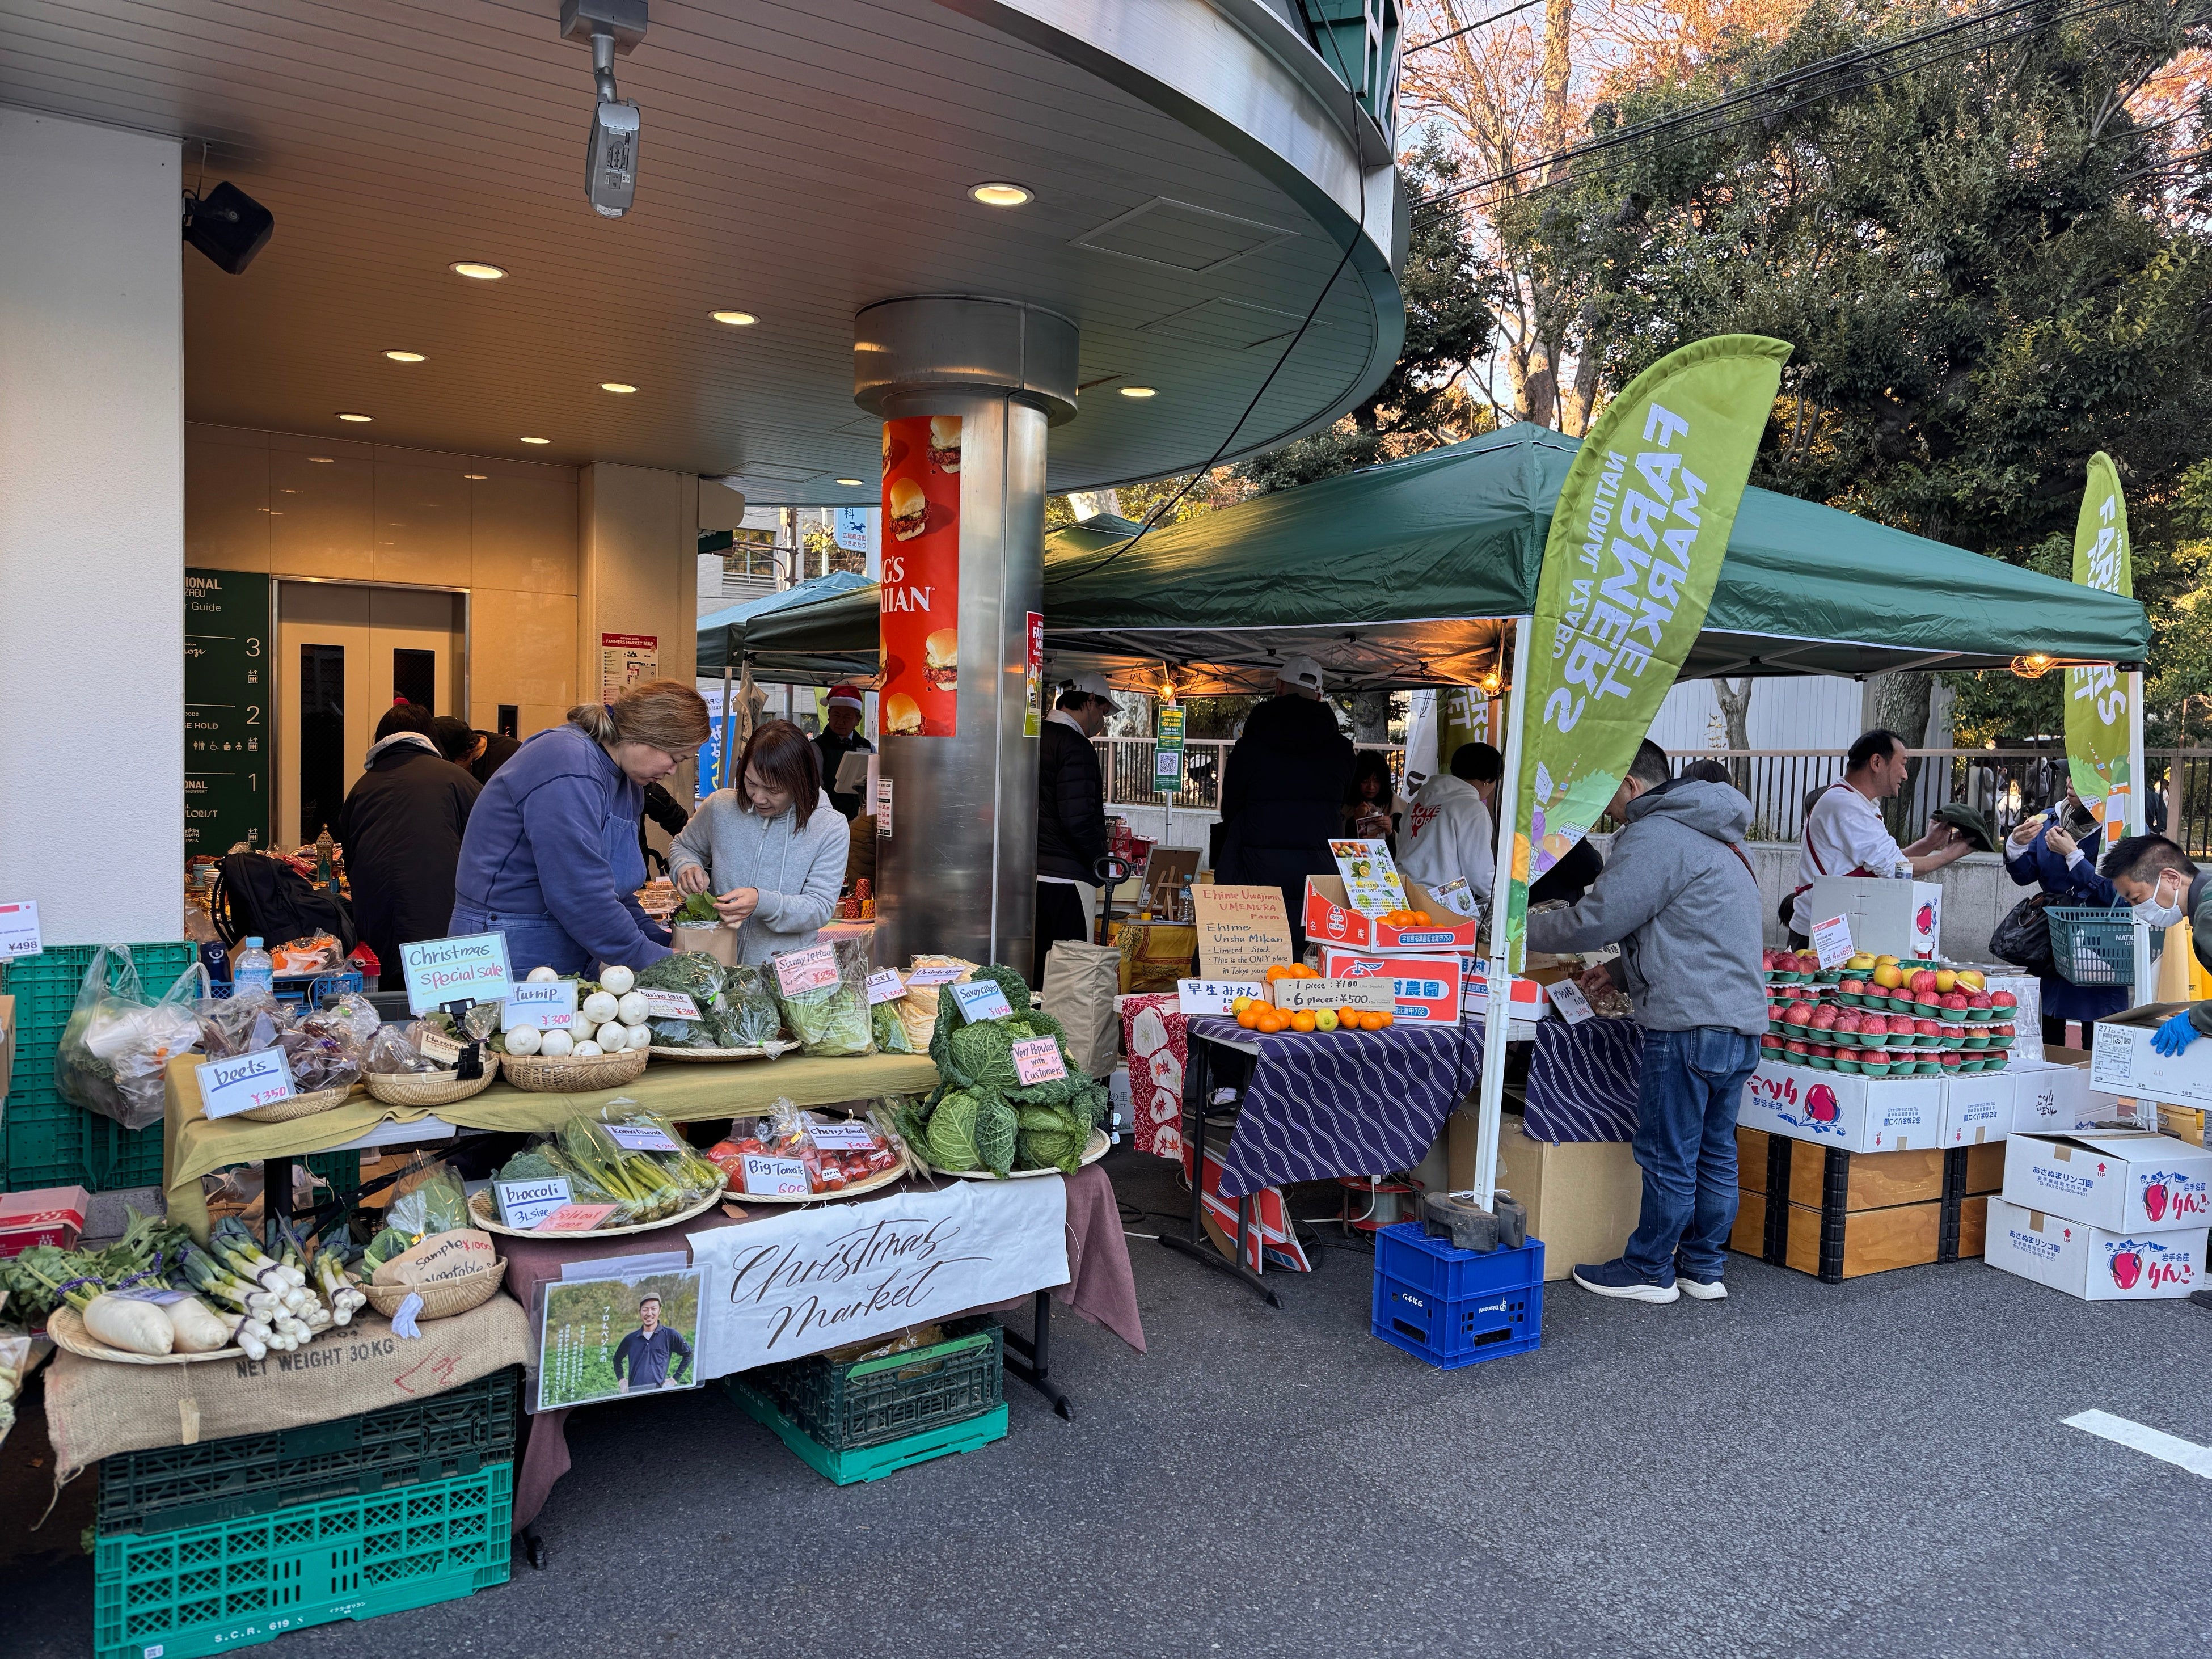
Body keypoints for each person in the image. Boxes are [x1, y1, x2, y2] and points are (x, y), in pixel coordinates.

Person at [1527, 740, 1766, 1304]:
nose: (1603, 806)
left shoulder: (1656, 834)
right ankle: (1703, 1269)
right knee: (1715, 1153)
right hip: (1740, 1022)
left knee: (1668, 1154)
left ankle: (1650, 1268)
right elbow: (1695, 929)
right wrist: (1619, 970)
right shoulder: (1725, 838)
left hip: (1687, 1023)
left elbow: (1595, 920)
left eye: (1606, 790)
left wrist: (1515, 930)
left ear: (1632, 785)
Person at [450, 680, 711, 974]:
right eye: (675, 758)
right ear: (645, 734)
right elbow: (578, 890)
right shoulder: (567, 761)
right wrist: (647, 955)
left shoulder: (629, 784)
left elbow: (617, 890)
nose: (673, 771)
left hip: (566, 936)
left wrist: (657, 940)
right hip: (508, 939)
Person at [668, 719, 847, 965]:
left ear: (800, 782)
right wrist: (687, 867)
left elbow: (819, 908)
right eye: (751, 783)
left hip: (782, 972)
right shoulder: (720, 806)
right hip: (715, 962)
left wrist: (761, 902)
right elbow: (684, 847)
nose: (759, 798)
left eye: (773, 790)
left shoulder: (829, 826)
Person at [336, 703, 481, 990]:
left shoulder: (362, 788)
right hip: (441, 918)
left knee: (388, 999)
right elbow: (487, 847)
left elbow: (350, 860)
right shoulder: (457, 779)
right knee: (442, 1002)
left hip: (377, 919)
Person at [1785, 729, 1975, 945]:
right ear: (1876, 762)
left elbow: (1885, 862)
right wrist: (1948, 856)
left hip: (1837, 929)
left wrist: (1930, 843)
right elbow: (1895, 868)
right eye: (1902, 764)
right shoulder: (1846, 806)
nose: (1905, 775)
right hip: (1823, 936)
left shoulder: (1855, 802)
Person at [1217, 657, 1355, 947]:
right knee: (1313, 960)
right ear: (1319, 697)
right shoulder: (1342, 750)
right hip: (1318, 876)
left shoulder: (1250, 746)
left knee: (1253, 956)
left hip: (1255, 873)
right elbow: (1343, 805)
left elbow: (1231, 806)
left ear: (1279, 687)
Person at [2005, 795, 2125, 1048]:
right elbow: (2026, 874)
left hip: (2100, 946)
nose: (2071, 782)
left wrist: (2074, 857)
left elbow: (2121, 896)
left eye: (2080, 777)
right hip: (2053, 939)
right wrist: (2015, 845)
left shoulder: (2121, 822)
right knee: (2048, 1027)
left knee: (2098, 1037)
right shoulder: (2051, 818)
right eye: (2070, 776)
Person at [1035, 673, 1113, 984]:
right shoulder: (1076, 746)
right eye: (1103, 712)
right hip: (1068, 878)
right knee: (1071, 976)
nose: (1102, 721)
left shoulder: (1032, 736)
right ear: (1090, 701)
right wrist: (1100, 862)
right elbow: (1078, 818)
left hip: (1028, 875)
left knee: (1035, 972)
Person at [2102, 834, 2210, 1057]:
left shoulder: (2208, 915)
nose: (2137, 909)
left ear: (2172, 878)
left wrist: (2197, 1019)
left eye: (2137, 898)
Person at [1400, 741, 1500, 905]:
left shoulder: (1418, 802)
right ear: (1488, 780)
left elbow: (1401, 844)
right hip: (1440, 902)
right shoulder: (1473, 809)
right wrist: (1504, 897)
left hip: (1403, 892)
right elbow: (1480, 875)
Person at [814, 684, 875, 821]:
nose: (841, 722)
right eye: (836, 715)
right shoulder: (817, 747)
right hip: (828, 817)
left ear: (858, 720)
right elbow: (815, 787)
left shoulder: (868, 747)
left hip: (860, 817)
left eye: (847, 717)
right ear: (829, 715)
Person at [610, 1293, 692, 1394]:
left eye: (654, 1309)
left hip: (659, 1395)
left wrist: (674, 1379)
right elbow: (617, 1359)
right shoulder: (630, 1339)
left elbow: (688, 1355)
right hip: (633, 1395)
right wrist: (622, 1380)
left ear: (660, 1310)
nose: (649, 1314)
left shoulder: (670, 1335)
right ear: (640, 1312)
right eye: (645, 1310)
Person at [1345, 750, 1399, 846]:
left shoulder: (1397, 808)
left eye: (1377, 781)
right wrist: (1354, 821)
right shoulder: (1344, 807)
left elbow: (1407, 846)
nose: (1371, 787)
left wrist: (1390, 832)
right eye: (1365, 781)